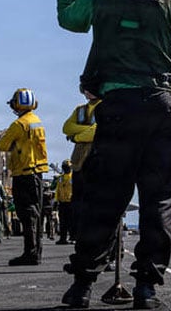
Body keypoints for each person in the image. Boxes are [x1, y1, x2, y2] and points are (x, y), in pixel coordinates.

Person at [57, 0, 171, 309]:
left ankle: (81, 287)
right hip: (164, 107)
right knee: (160, 200)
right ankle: (146, 291)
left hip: (117, 108)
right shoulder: (170, 1)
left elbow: (69, 19)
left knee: (104, 198)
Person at [0, 88, 49, 266]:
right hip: (37, 174)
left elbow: (2, 145)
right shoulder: (37, 121)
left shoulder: (19, 124)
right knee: (36, 215)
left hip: (23, 174)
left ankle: (30, 254)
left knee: (27, 215)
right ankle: (36, 253)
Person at [62, 90, 101, 242]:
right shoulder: (80, 110)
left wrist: (76, 136)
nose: (88, 91)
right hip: (79, 162)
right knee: (78, 202)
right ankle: (79, 235)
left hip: (97, 160)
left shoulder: (106, 107)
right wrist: (87, 132)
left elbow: (98, 130)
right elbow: (66, 128)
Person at [54, 160, 73, 245]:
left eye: (67, 167)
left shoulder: (73, 177)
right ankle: (63, 238)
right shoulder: (60, 178)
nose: (66, 168)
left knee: (71, 221)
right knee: (63, 222)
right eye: (64, 167)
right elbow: (57, 189)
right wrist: (56, 200)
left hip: (71, 202)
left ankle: (73, 237)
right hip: (62, 202)